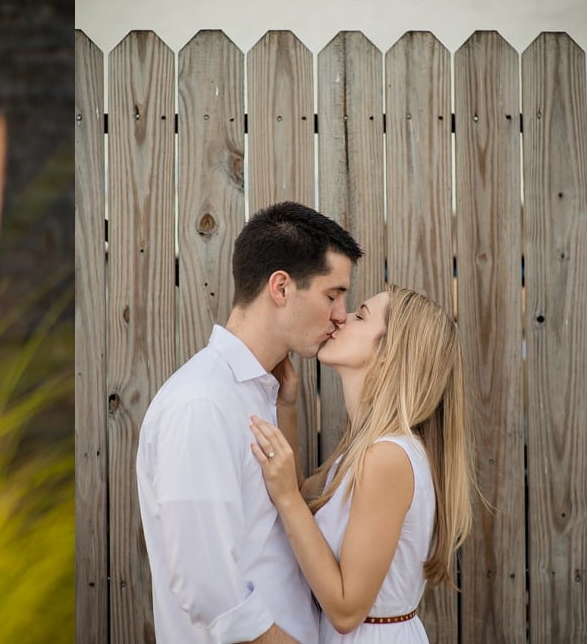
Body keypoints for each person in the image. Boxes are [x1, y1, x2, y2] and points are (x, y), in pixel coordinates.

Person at [136, 201, 363, 644]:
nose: (341, 314)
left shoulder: (260, 393)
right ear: (281, 287)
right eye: (332, 295)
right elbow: (212, 595)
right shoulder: (201, 404)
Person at [249, 286, 473, 643]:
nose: (341, 317)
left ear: (387, 355)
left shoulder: (387, 458)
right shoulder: (367, 450)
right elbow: (304, 501)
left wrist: (287, 496)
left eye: (360, 315)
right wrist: (286, 408)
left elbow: (346, 610)